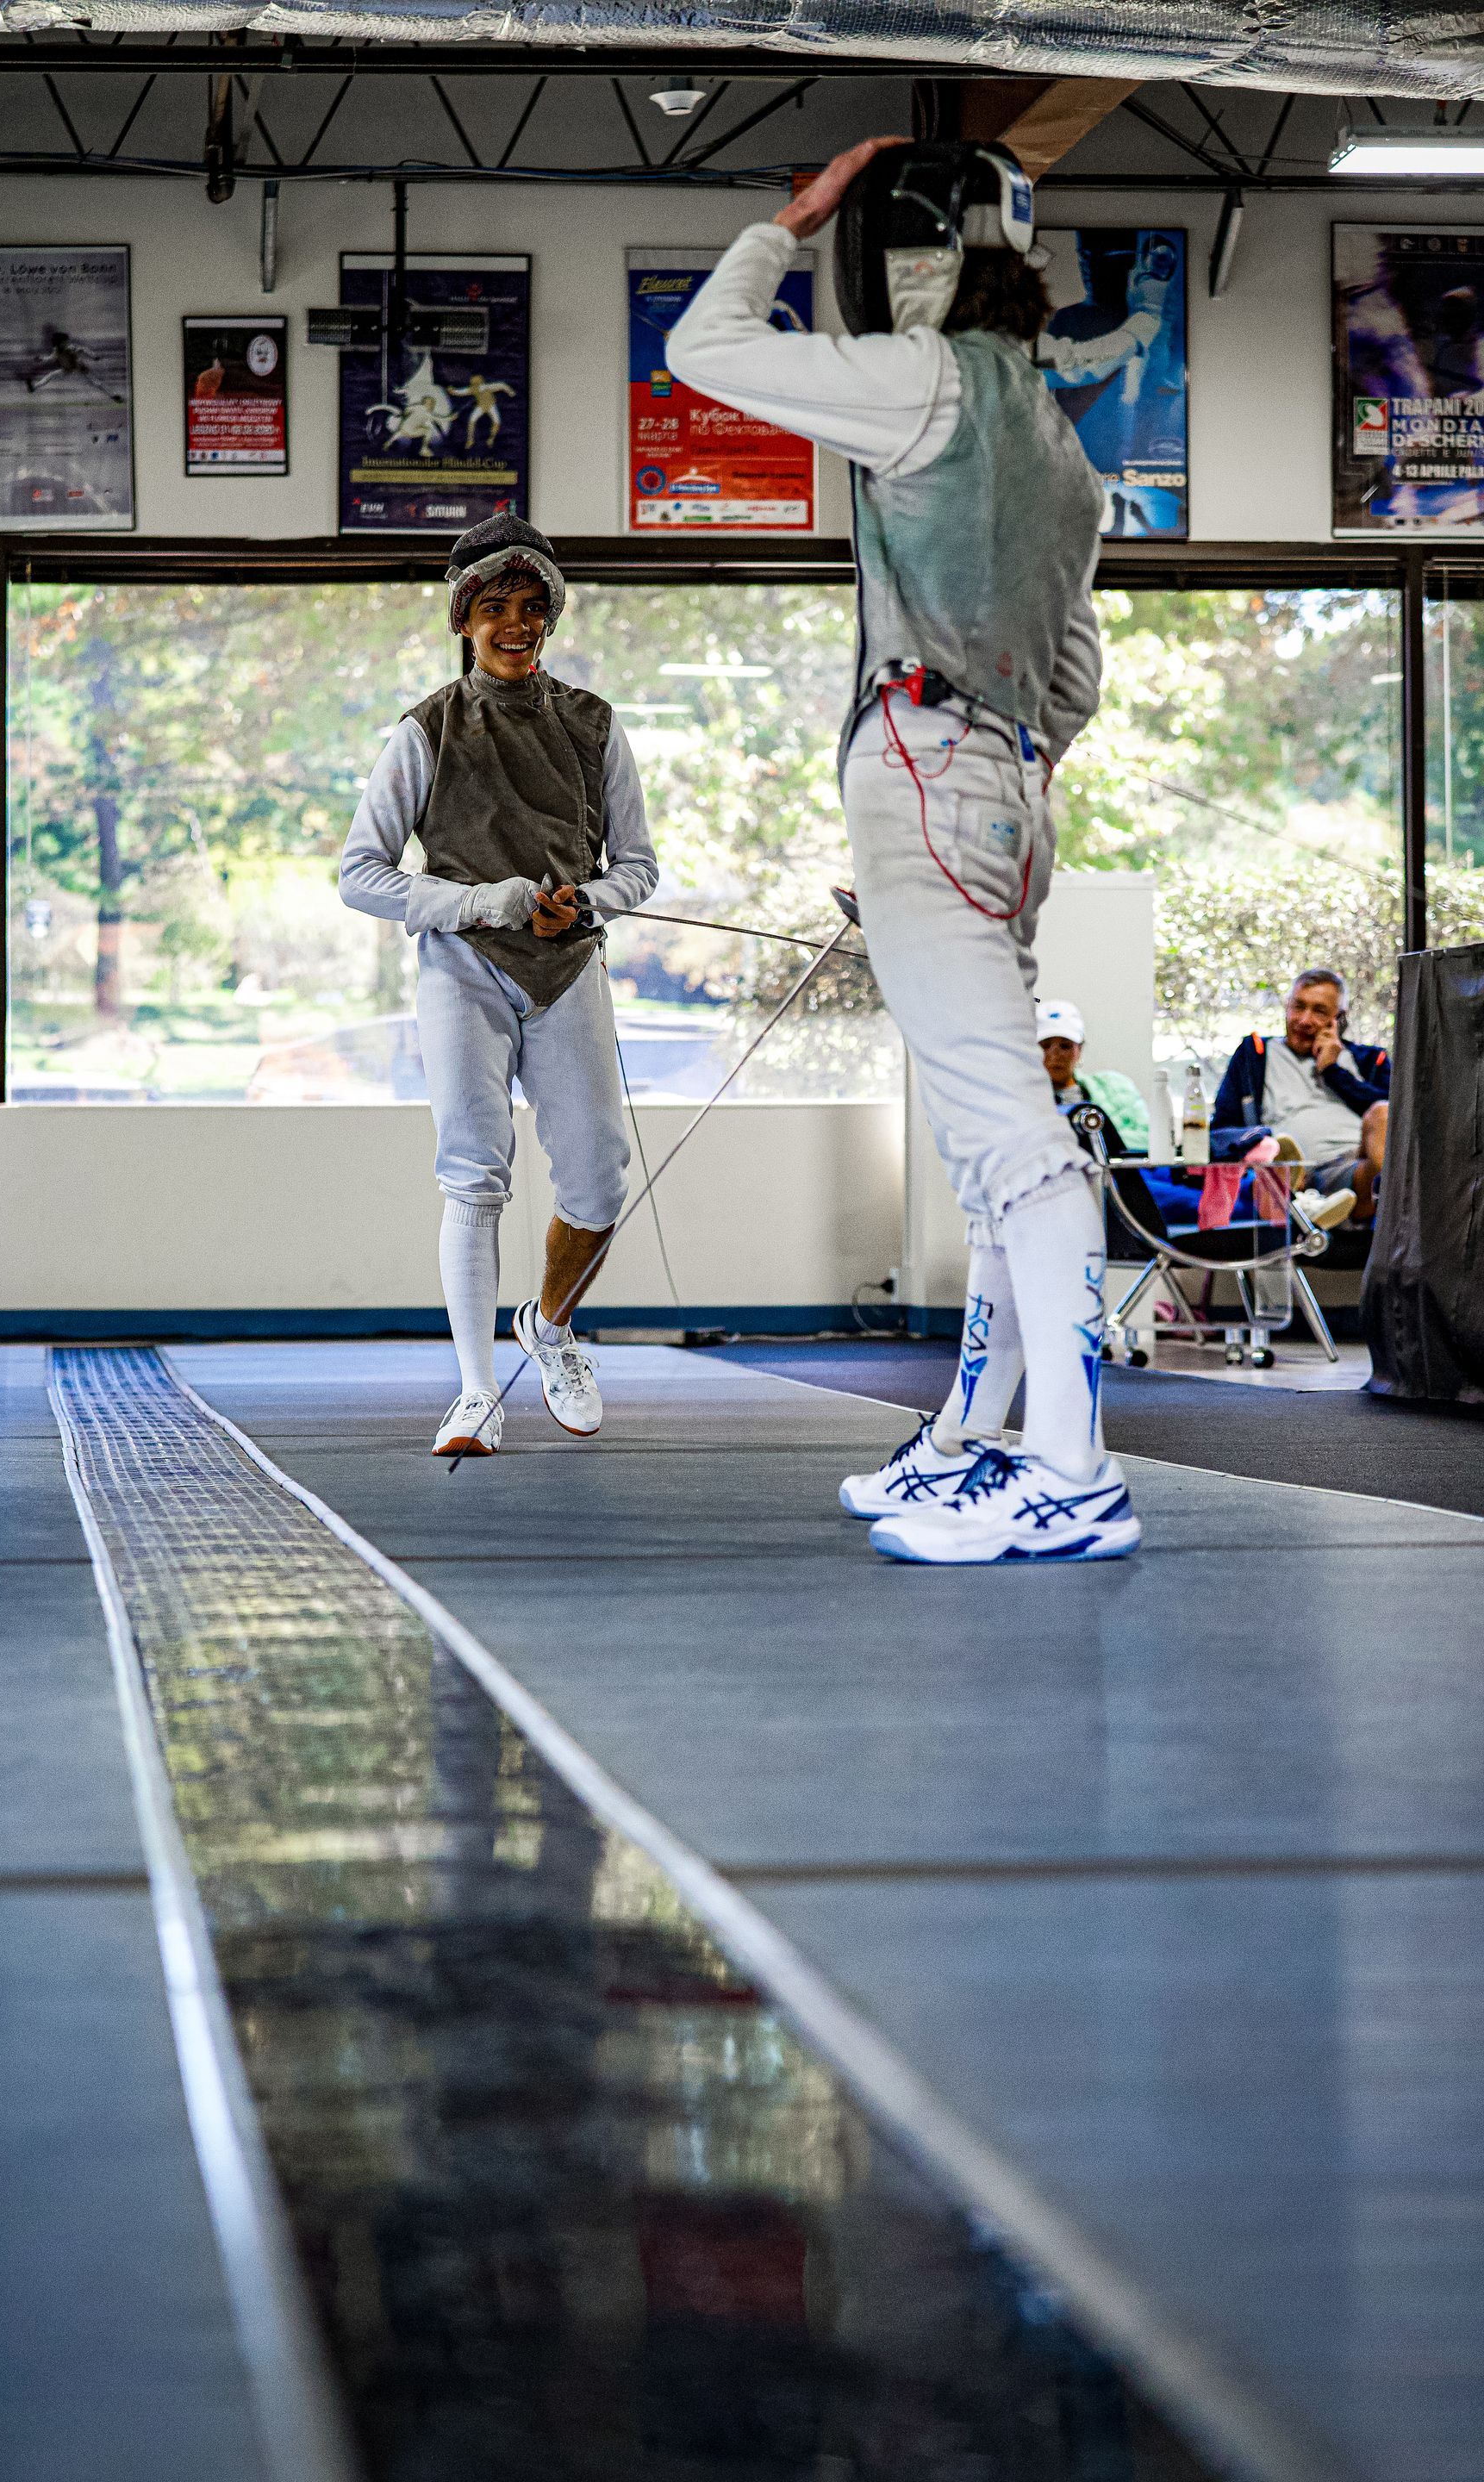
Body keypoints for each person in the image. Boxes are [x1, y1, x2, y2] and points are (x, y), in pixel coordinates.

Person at [667, 134, 1138, 1564]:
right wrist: (988, 788)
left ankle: (1075, 1476)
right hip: (1001, 796)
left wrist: (788, 221)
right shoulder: (1062, 447)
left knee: (1016, 1144)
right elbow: (1075, 682)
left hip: (932, 773)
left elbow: (703, 349)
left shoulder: (926, 379)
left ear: (917, 262)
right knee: (995, 1146)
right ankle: (974, 1445)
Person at [339, 514, 658, 1456]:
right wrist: (481, 902)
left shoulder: (594, 724)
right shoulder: (427, 728)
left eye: (531, 607)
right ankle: (477, 1393)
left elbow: (638, 867)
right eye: (495, 609)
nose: (515, 624)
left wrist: (584, 902)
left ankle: (550, 1328)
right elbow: (360, 875)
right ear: (465, 619)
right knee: (474, 1175)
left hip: (568, 968)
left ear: (549, 617)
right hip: (463, 970)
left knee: (599, 1177)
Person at [1212, 968, 1390, 1229]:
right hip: (1288, 1170)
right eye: (1298, 1007)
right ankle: (1307, 1206)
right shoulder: (1254, 1055)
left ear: (1338, 1019)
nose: (1305, 1020)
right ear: (1287, 1007)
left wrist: (1333, 1071)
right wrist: (1261, 1146)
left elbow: (1399, 1120)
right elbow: (1222, 1127)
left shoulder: (1370, 1060)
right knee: (1277, 1162)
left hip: (1355, 1168)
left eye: (1319, 1011)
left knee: (1384, 1113)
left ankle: (1317, 1209)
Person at [1037, 997, 1145, 1157]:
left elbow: (1151, 1138)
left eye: (1065, 1046)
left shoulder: (1115, 1086)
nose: (1055, 1054)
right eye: (1045, 1046)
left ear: (1079, 1049)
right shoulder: (1020, 1097)